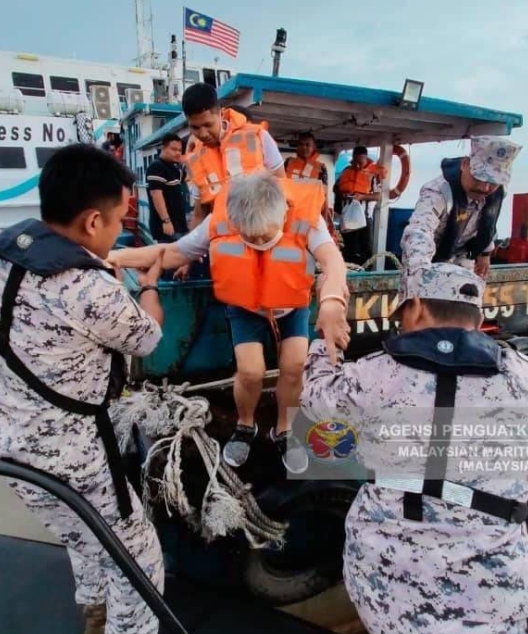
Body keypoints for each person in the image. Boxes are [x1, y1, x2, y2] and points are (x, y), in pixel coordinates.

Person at [300, 263, 528, 634]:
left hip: (387, 596)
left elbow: (315, 398)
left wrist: (323, 341)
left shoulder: (374, 375)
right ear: (480, 318)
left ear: (415, 309)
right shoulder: (527, 378)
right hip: (497, 612)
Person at [0, 144, 184, 634]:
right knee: (136, 550)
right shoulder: (90, 290)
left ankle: (95, 620)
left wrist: (106, 263)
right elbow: (147, 338)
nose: (118, 233)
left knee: (82, 533)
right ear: (92, 220)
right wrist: (150, 283)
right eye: (116, 222)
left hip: (8, 436)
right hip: (73, 453)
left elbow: (53, 280)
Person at [108, 172, 350, 472]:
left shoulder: (307, 220)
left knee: (294, 366)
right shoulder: (219, 222)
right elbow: (170, 253)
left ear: (283, 213)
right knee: (250, 372)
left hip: (291, 307)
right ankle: (245, 426)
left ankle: (285, 429)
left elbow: (332, 261)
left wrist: (331, 302)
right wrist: (116, 258)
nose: (259, 242)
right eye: (250, 237)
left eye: (265, 235)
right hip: (245, 306)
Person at [401, 136, 521, 279]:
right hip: (428, 260)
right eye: (479, 178)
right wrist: (419, 269)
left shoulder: (496, 192)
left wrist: (485, 253)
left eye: (493, 182)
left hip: (462, 257)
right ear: (465, 164)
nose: (485, 188)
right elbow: (419, 230)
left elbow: (489, 221)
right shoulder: (437, 192)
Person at [180, 82, 285, 228]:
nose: (203, 134)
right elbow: (199, 213)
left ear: (220, 113)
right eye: (195, 128)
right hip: (224, 242)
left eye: (208, 125)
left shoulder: (259, 136)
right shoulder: (196, 158)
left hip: (262, 233)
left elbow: (283, 187)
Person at [334, 145, 387, 266]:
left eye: (360, 162)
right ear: (352, 158)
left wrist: (362, 197)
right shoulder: (346, 171)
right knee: (348, 248)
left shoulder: (373, 175)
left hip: (364, 217)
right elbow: (336, 188)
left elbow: (378, 196)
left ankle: (364, 275)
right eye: (355, 162)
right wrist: (342, 194)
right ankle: (349, 273)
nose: (357, 165)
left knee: (365, 249)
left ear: (366, 159)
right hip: (347, 216)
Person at [284, 131, 336, 240]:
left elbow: (324, 196)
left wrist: (325, 220)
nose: (304, 147)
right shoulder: (288, 163)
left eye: (308, 145)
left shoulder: (321, 168)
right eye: (301, 144)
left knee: (307, 244)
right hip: (289, 214)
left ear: (314, 147)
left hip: (311, 215)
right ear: (297, 146)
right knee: (289, 243)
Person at [146, 133, 188, 242]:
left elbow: (189, 178)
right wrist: (166, 221)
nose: (178, 153)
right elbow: (156, 194)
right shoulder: (157, 167)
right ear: (163, 148)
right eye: (174, 149)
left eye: (180, 150)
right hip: (168, 226)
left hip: (179, 224)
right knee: (171, 256)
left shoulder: (174, 167)